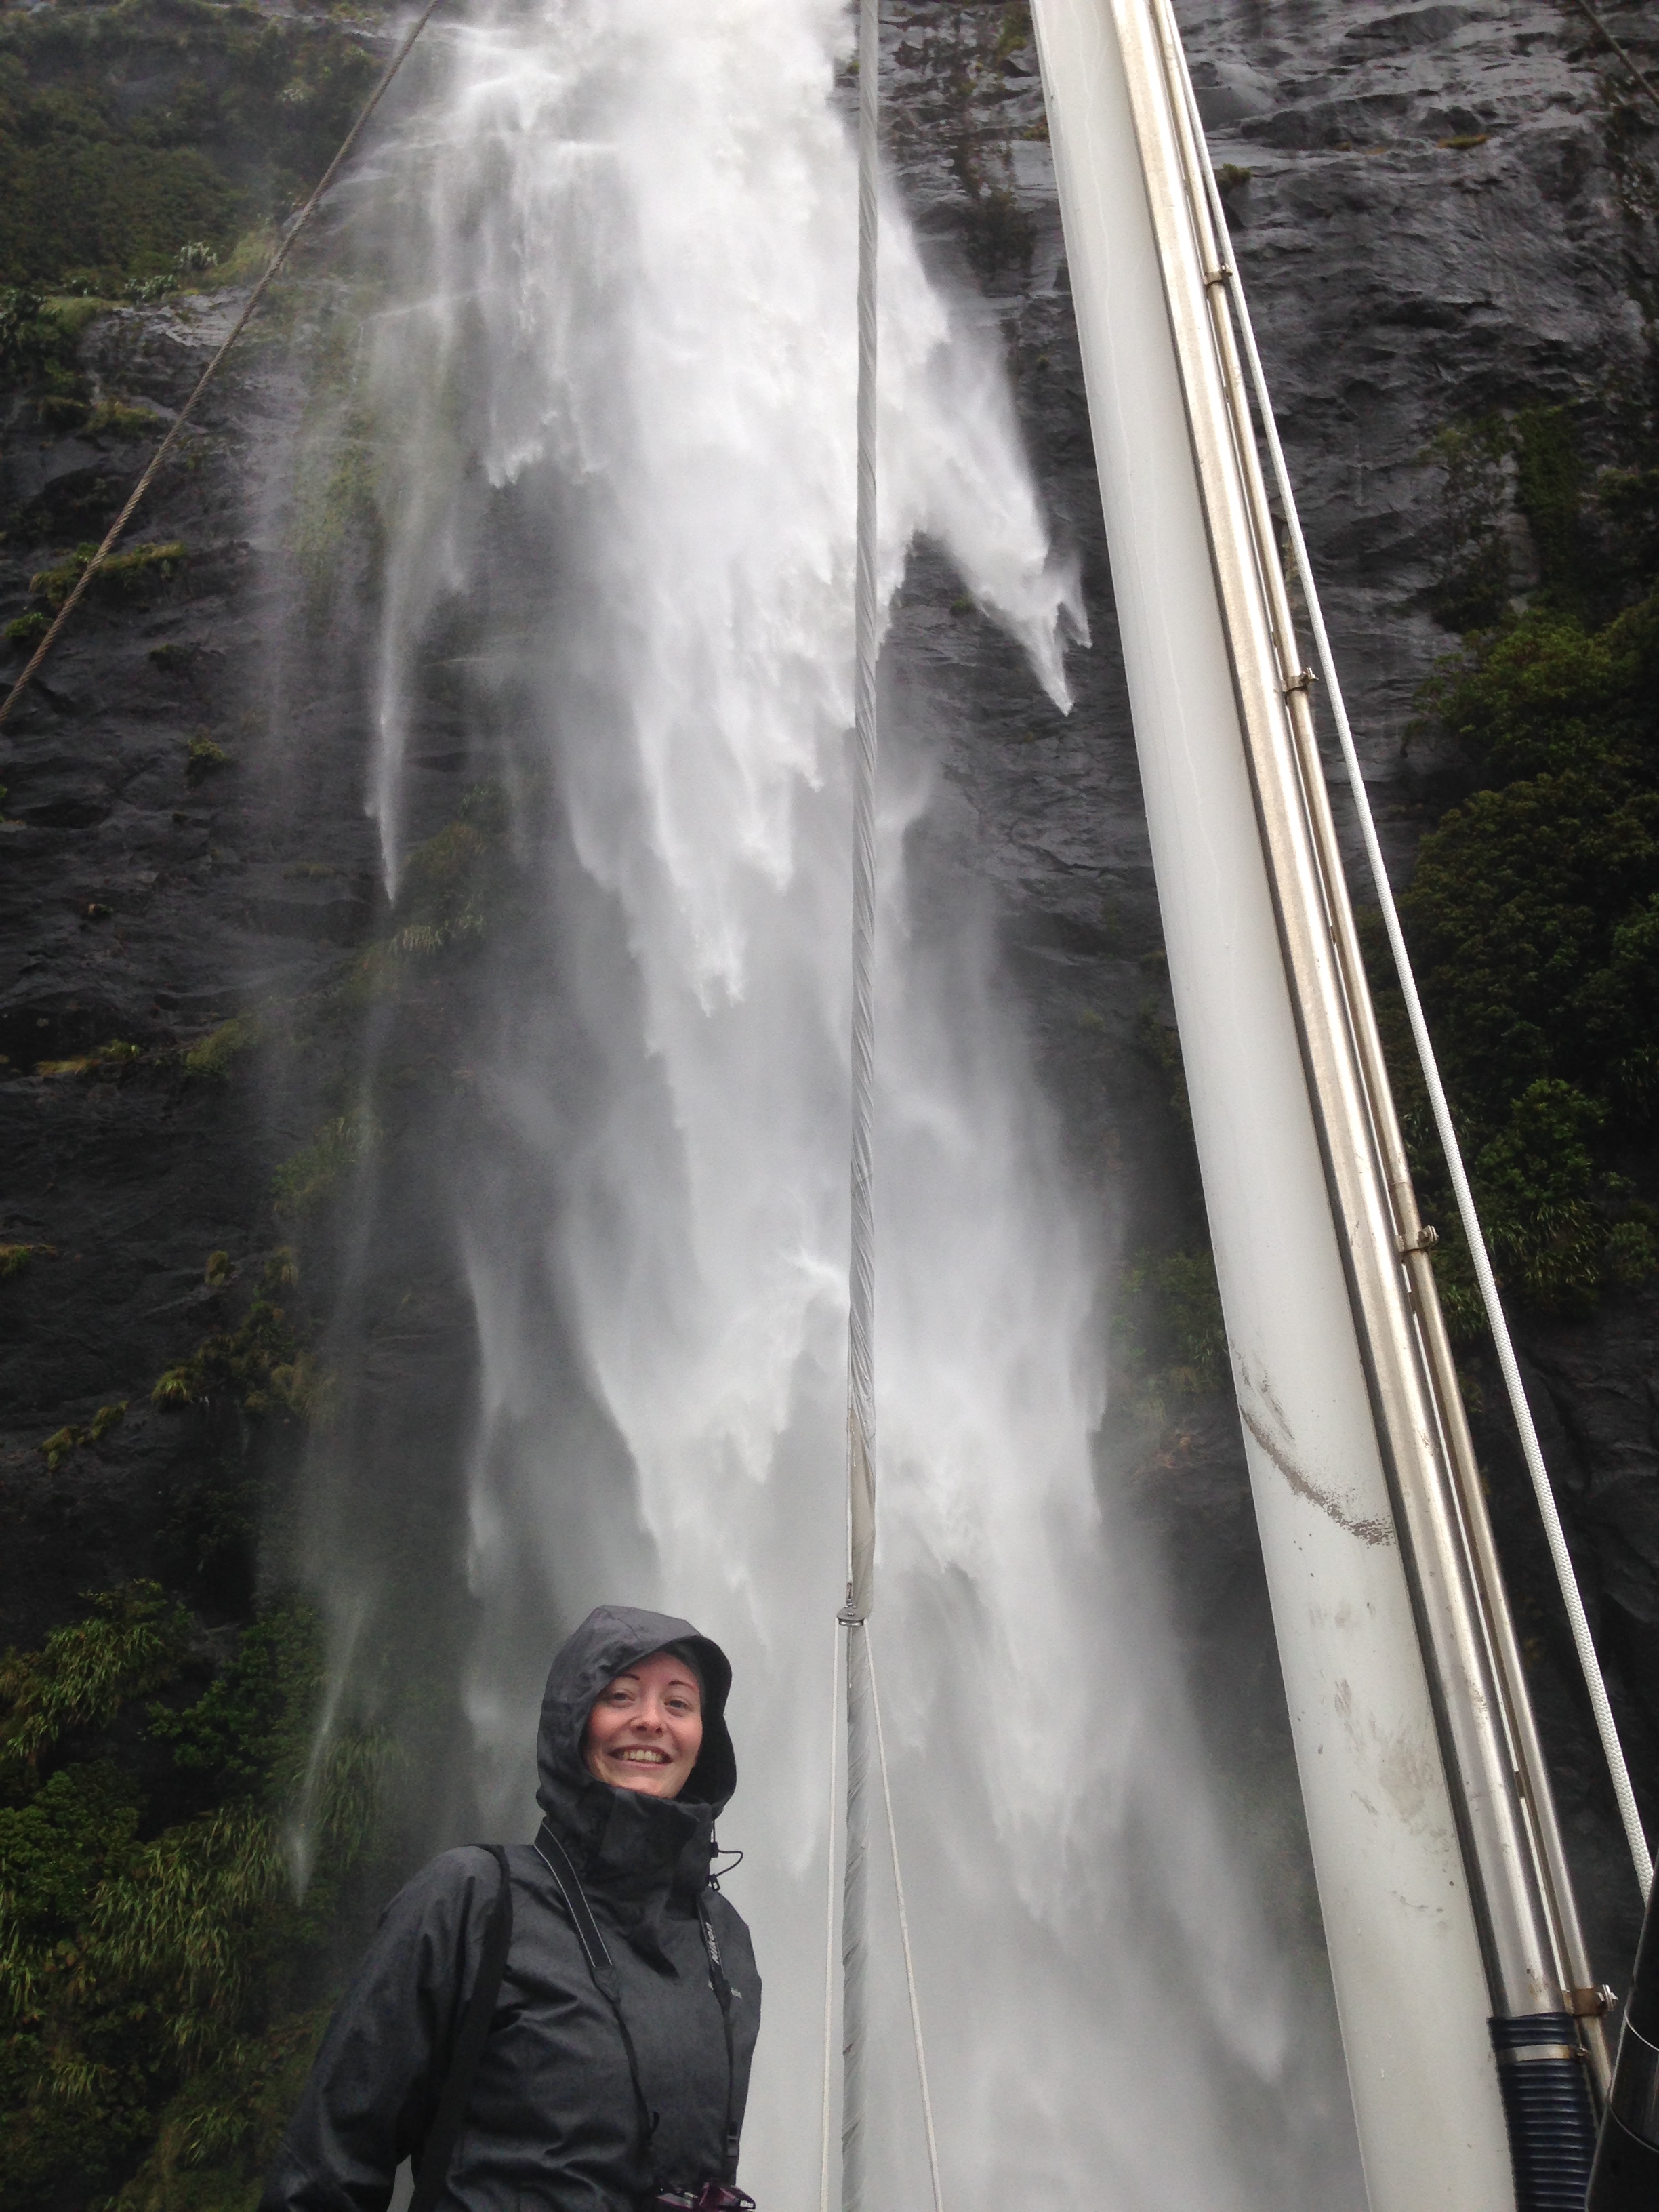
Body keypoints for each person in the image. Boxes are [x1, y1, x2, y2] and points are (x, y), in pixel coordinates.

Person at [260, 1604, 760, 2212]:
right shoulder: (473, 1898)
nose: (651, 1721)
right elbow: (325, 2167)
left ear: (705, 1740)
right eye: (620, 1696)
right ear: (573, 1722)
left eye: (679, 1704)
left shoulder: (722, 1939)